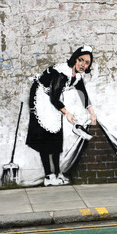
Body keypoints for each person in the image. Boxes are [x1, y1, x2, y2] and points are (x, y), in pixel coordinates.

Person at [26, 46, 97, 186]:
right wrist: (67, 113)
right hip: (41, 97)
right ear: (75, 59)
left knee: (56, 136)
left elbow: (83, 94)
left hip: (54, 98)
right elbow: (53, 98)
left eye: (87, 62)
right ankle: (48, 176)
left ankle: (58, 173)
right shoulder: (62, 73)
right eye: (80, 60)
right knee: (45, 136)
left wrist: (92, 113)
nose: (83, 64)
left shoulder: (77, 75)